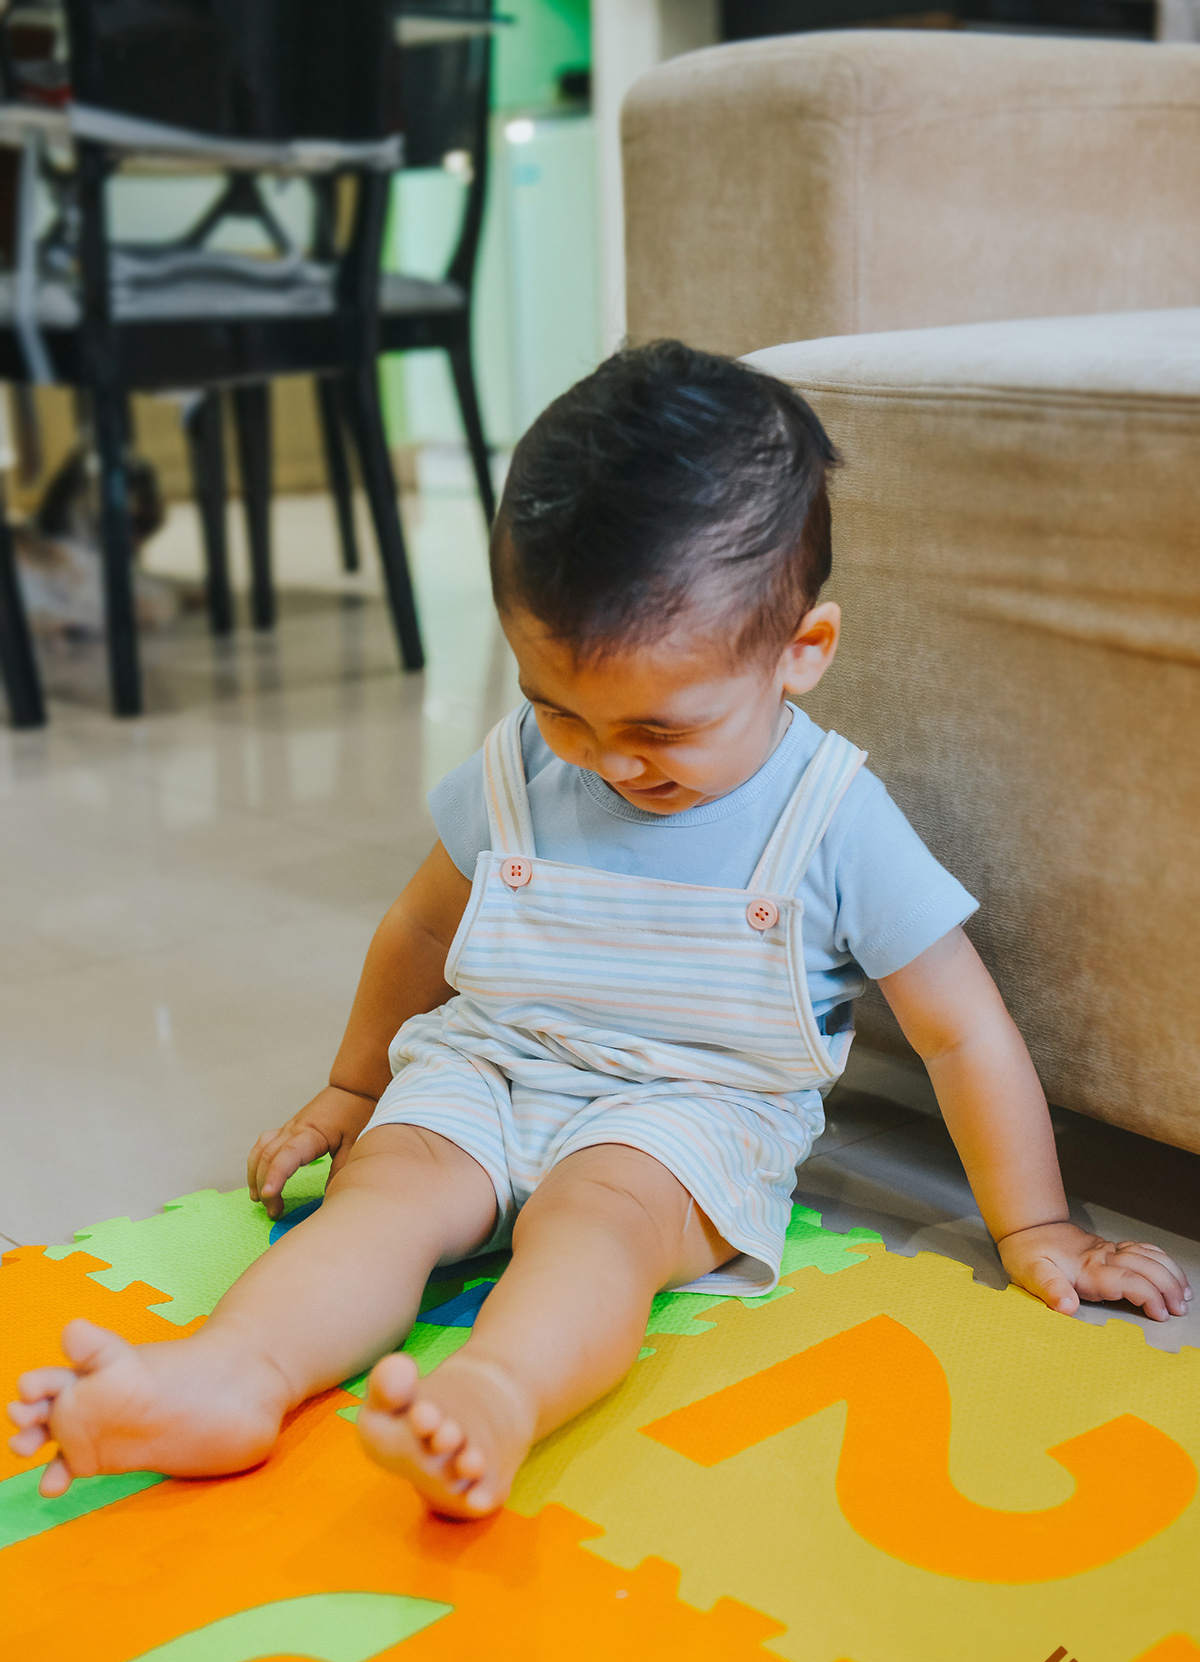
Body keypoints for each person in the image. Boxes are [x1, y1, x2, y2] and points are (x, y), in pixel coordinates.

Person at [8, 342, 1190, 1520]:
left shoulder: (833, 817)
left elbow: (960, 1033)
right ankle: (234, 1372)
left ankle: (496, 1399)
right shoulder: (528, 767)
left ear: (802, 654)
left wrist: (1034, 1221)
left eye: (661, 730)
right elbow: (421, 927)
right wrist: (354, 1089)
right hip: (491, 1065)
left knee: (599, 1221)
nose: (607, 759)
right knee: (382, 1198)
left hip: (687, 1113)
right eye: (557, 705)